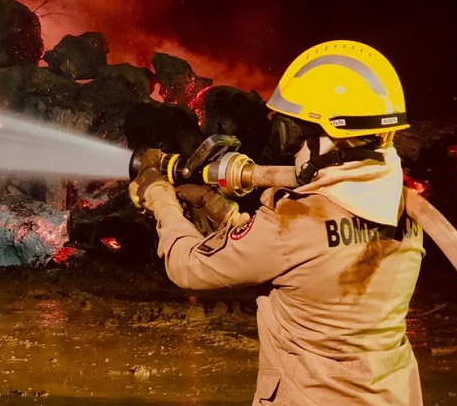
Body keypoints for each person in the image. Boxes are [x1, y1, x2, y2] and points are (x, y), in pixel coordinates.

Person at [129, 40, 425, 405]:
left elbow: (189, 267)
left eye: (295, 133)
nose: (293, 147)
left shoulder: (299, 219)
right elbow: (313, 260)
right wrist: (228, 216)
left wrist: (160, 198)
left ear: (326, 137)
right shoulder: (404, 208)